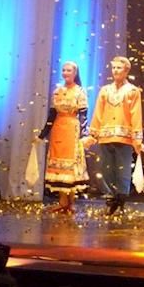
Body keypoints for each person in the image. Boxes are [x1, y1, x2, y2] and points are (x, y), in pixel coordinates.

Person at [88, 56, 143, 215]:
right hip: (106, 135)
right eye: (114, 68)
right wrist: (94, 133)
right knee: (106, 170)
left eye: (119, 68)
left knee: (122, 170)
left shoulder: (132, 91)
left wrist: (137, 137)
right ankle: (110, 199)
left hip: (124, 137)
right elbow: (98, 112)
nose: (116, 71)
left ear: (126, 71)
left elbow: (136, 114)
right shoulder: (105, 90)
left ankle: (120, 201)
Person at [38, 61, 90, 214]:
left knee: (71, 165)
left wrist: (84, 134)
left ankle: (70, 202)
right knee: (59, 165)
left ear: (75, 73)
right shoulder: (57, 91)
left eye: (69, 70)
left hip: (72, 130)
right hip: (58, 130)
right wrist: (43, 134)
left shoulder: (80, 91)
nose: (66, 73)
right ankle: (62, 201)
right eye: (64, 70)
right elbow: (52, 115)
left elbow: (83, 115)